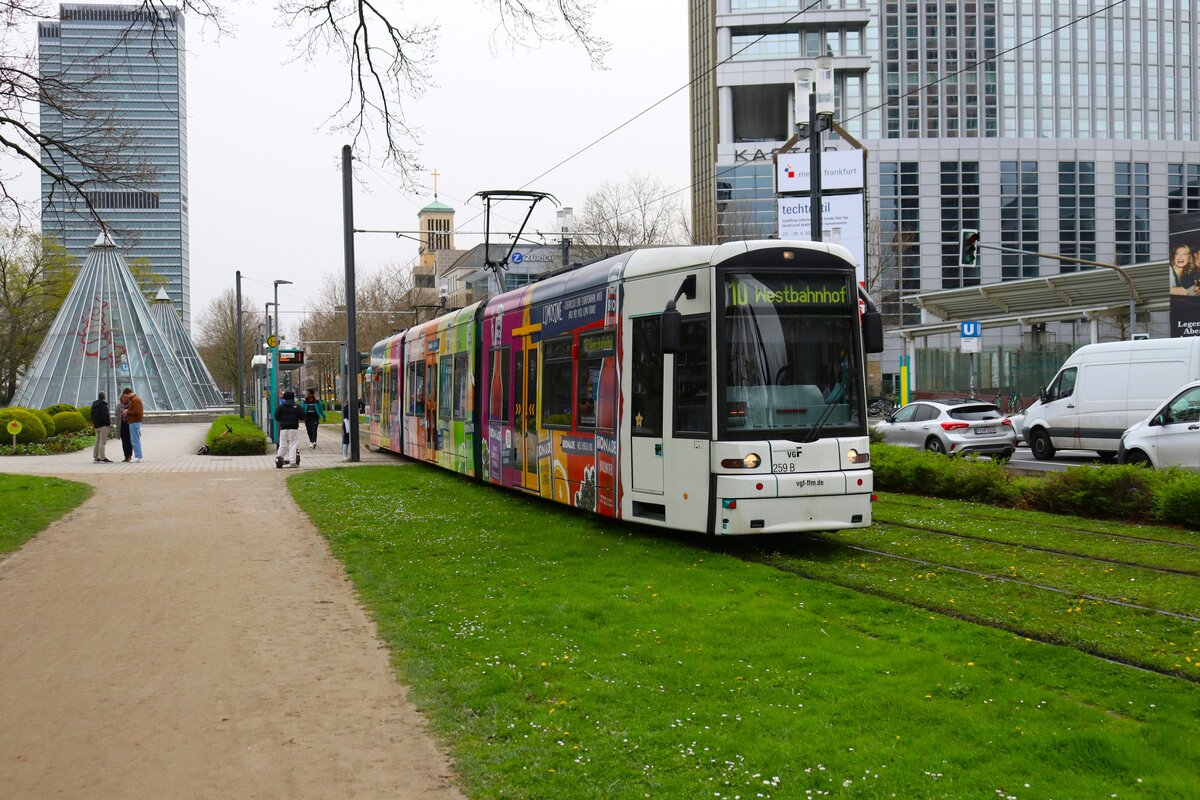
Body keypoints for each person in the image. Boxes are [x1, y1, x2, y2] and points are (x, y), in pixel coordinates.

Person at [274, 390, 303, 468]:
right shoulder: (297, 406)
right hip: (294, 428)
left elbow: (276, 416)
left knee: (283, 444)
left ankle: (279, 458)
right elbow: (302, 416)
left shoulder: (281, 407)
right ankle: (293, 462)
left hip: (283, 429)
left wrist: (282, 420)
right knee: (293, 445)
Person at [90, 391, 113, 463]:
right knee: (102, 442)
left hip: (96, 426)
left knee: (97, 441)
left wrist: (94, 423)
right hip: (103, 426)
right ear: (104, 397)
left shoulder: (94, 405)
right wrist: (108, 424)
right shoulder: (103, 405)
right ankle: (102, 458)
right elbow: (105, 416)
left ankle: (96, 458)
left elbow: (92, 415)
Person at [126, 388, 145, 462]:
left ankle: (138, 456)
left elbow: (136, 412)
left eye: (127, 396)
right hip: (135, 422)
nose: (127, 398)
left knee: (134, 440)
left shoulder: (135, 400)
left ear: (128, 394)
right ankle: (139, 456)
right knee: (135, 439)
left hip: (134, 422)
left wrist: (127, 411)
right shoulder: (135, 399)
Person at [117, 388, 134, 462]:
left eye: (125, 398)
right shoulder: (119, 406)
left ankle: (129, 455)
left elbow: (133, 413)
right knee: (124, 441)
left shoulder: (130, 405)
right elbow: (117, 416)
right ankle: (125, 456)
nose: (124, 399)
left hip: (129, 424)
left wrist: (127, 412)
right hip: (122, 425)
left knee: (129, 441)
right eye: (123, 398)